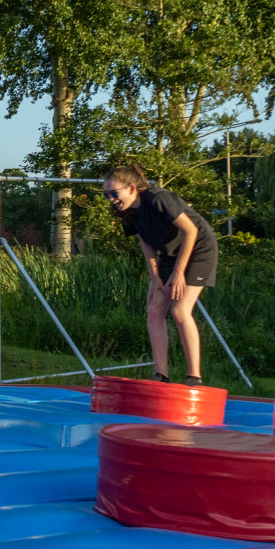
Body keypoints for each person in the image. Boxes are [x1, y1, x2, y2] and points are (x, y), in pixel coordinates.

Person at [103, 164, 219, 386]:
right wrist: (155, 277)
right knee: (155, 309)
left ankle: (194, 377)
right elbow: (145, 243)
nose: (111, 199)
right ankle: (161, 375)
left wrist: (179, 272)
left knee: (180, 310)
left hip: (199, 249)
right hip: (170, 255)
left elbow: (191, 230)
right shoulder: (127, 212)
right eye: (107, 195)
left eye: (114, 193)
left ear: (131, 188)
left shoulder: (158, 198)